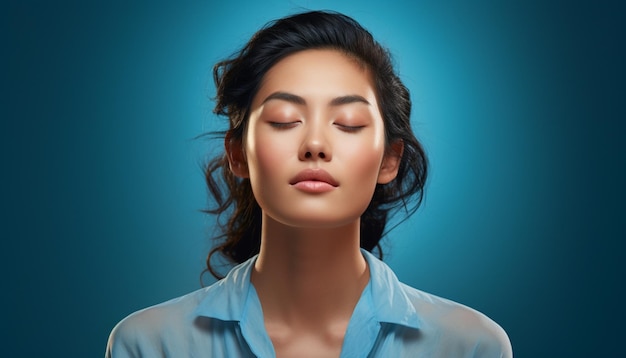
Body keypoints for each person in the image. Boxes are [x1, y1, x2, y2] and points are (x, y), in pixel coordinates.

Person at [106, 10, 512, 357]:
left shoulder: (470, 346)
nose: (315, 144)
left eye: (348, 123)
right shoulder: (150, 344)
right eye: (284, 120)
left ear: (390, 159)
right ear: (238, 154)